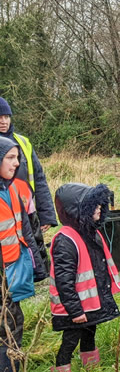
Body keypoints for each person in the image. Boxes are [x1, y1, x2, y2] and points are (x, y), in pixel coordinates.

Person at [48, 183, 120, 372]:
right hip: (75, 307)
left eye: (100, 204)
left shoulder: (90, 232)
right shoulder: (66, 241)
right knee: (71, 339)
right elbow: (64, 281)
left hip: (89, 304)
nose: (99, 207)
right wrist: (75, 310)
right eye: (94, 205)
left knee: (90, 331)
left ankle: (91, 368)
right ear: (78, 210)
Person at [0, 137, 43, 372]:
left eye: (18, 158)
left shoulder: (15, 188)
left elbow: (26, 228)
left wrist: (37, 265)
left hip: (12, 269)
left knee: (13, 322)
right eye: (11, 158)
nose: (17, 163)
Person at [0, 96, 56, 271]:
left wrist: (46, 214)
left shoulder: (23, 142)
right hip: (4, 214)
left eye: (6, 116)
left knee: (33, 256)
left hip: (27, 210)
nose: (3, 121)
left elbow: (38, 178)